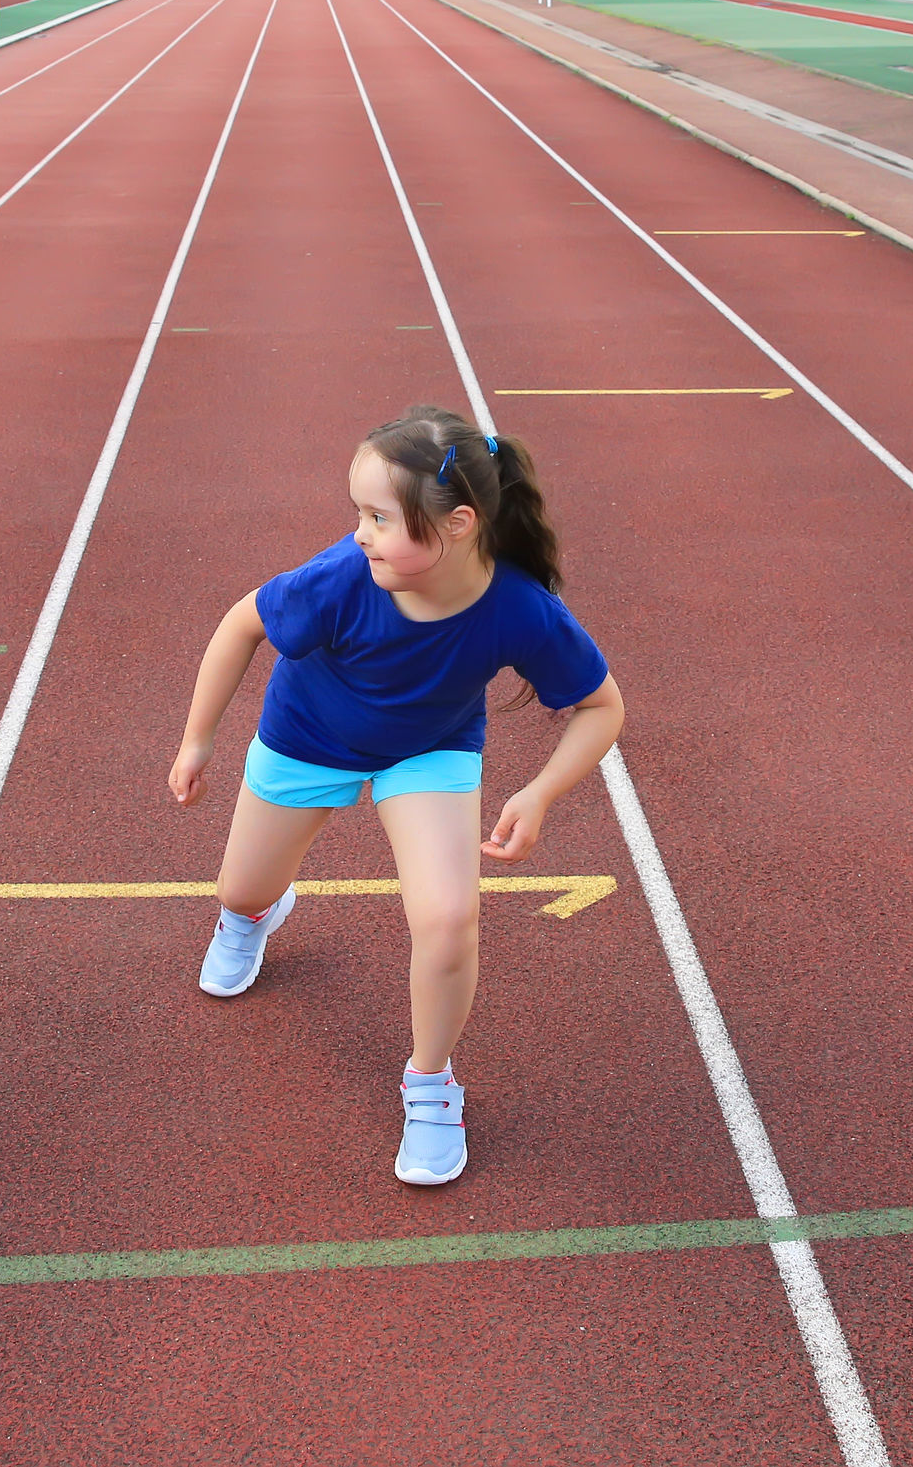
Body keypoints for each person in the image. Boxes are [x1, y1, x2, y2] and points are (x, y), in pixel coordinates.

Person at [168, 406, 624, 1186]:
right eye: (359, 513)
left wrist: (543, 791)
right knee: (240, 885)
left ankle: (431, 1083)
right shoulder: (343, 578)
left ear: (457, 524)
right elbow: (242, 623)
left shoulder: (518, 608)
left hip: (429, 751)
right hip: (308, 735)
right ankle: (251, 915)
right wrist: (198, 738)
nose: (361, 533)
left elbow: (602, 705)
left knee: (449, 916)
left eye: (380, 516)